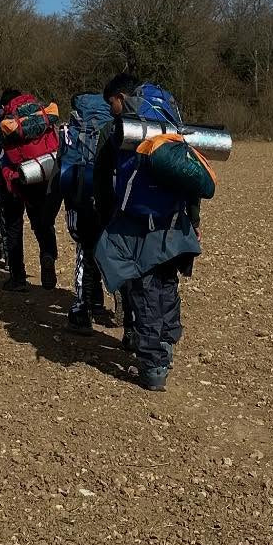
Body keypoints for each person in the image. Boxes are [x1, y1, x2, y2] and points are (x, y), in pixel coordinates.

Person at [87, 72, 204, 392]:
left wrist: (107, 216)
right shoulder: (172, 123)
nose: (110, 109)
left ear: (120, 99)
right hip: (175, 223)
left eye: (110, 102)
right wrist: (193, 219)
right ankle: (165, 344)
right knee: (166, 285)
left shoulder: (121, 130)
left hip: (139, 223)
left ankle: (153, 366)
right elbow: (190, 174)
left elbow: (101, 177)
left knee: (145, 290)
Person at [0, 86, 61, 291]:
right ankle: (48, 255)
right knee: (42, 223)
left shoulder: (3, 121)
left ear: (4, 105)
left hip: (14, 181)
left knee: (13, 227)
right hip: (41, 175)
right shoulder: (41, 114)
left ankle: (18, 278)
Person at [60, 88, 116, 333]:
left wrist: (69, 200)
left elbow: (64, 173)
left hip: (83, 195)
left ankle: (84, 310)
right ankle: (123, 302)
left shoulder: (72, 129)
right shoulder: (116, 125)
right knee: (117, 251)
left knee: (85, 250)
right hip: (113, 197)